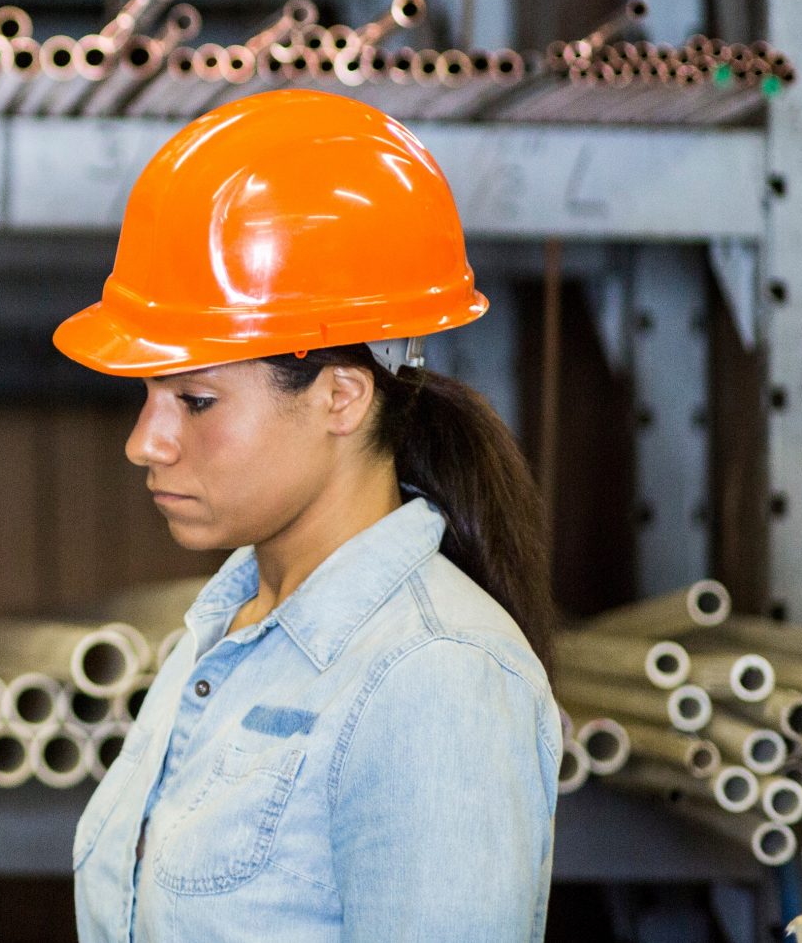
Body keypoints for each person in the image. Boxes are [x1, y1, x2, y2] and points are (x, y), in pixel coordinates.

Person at [57, 88, 560, 941]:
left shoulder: (433, 680)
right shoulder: (225, 632)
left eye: (197, 399)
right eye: (149, 397)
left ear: (340, 395)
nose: (147, 442)